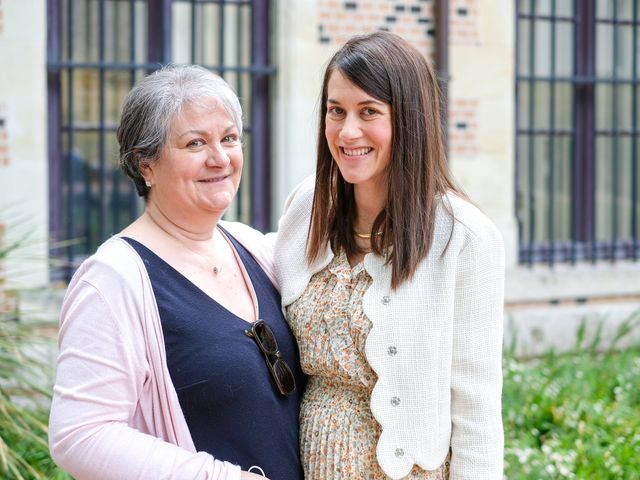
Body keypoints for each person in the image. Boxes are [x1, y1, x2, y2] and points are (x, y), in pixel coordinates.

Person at [49, 64, 305, 480]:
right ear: (145, 165)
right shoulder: (113, 279)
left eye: (229, 138)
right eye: (195, 143)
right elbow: (80, 435)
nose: (220, 158)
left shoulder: (255, 248)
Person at [274, 31, 505, 479]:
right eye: (336, 111)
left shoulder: (464, 238)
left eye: (369, 112)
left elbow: (476, 407)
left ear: (410, 121)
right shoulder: (307, 206)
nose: (347, 132)